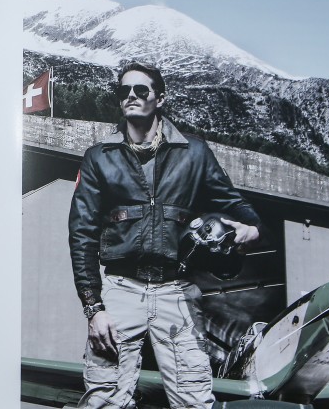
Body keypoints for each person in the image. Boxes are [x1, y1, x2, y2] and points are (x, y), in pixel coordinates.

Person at [68, 61, 262, 408]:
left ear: (159, 97)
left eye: (140, 90)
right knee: (104, 399)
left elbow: (237, 206)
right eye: (124, 90)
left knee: (194, 400)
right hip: (120, 289)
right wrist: (94, 308)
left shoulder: (195, 152)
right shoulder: (99, 157)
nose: (131, 96)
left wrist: (248, 229)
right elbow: (81, 233)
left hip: (177, 291)